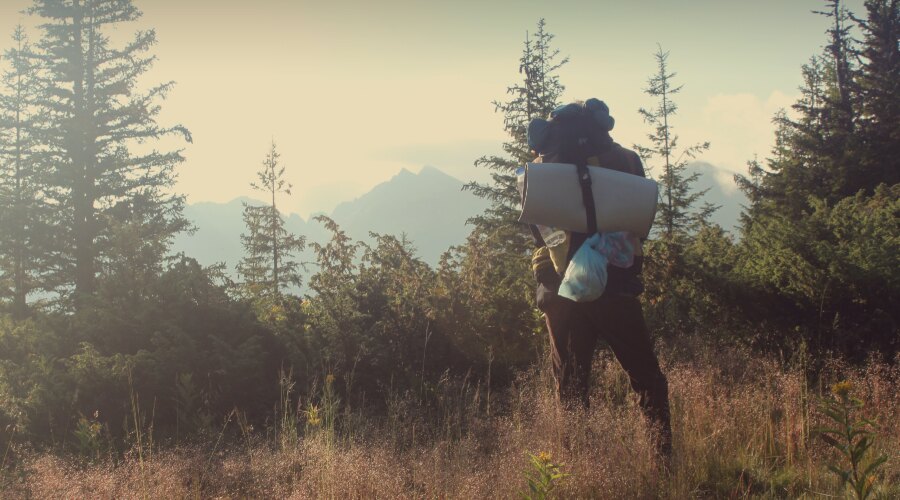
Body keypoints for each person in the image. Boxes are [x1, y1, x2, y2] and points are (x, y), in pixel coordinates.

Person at [526, 99, 672, 458]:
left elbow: (536, 230)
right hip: (615, 286)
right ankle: (664, 463)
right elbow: (642, 221)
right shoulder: (626, 161)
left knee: (571, 386)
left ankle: (577, 470)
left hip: (562, 291)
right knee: (646, 378)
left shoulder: (541, 170)